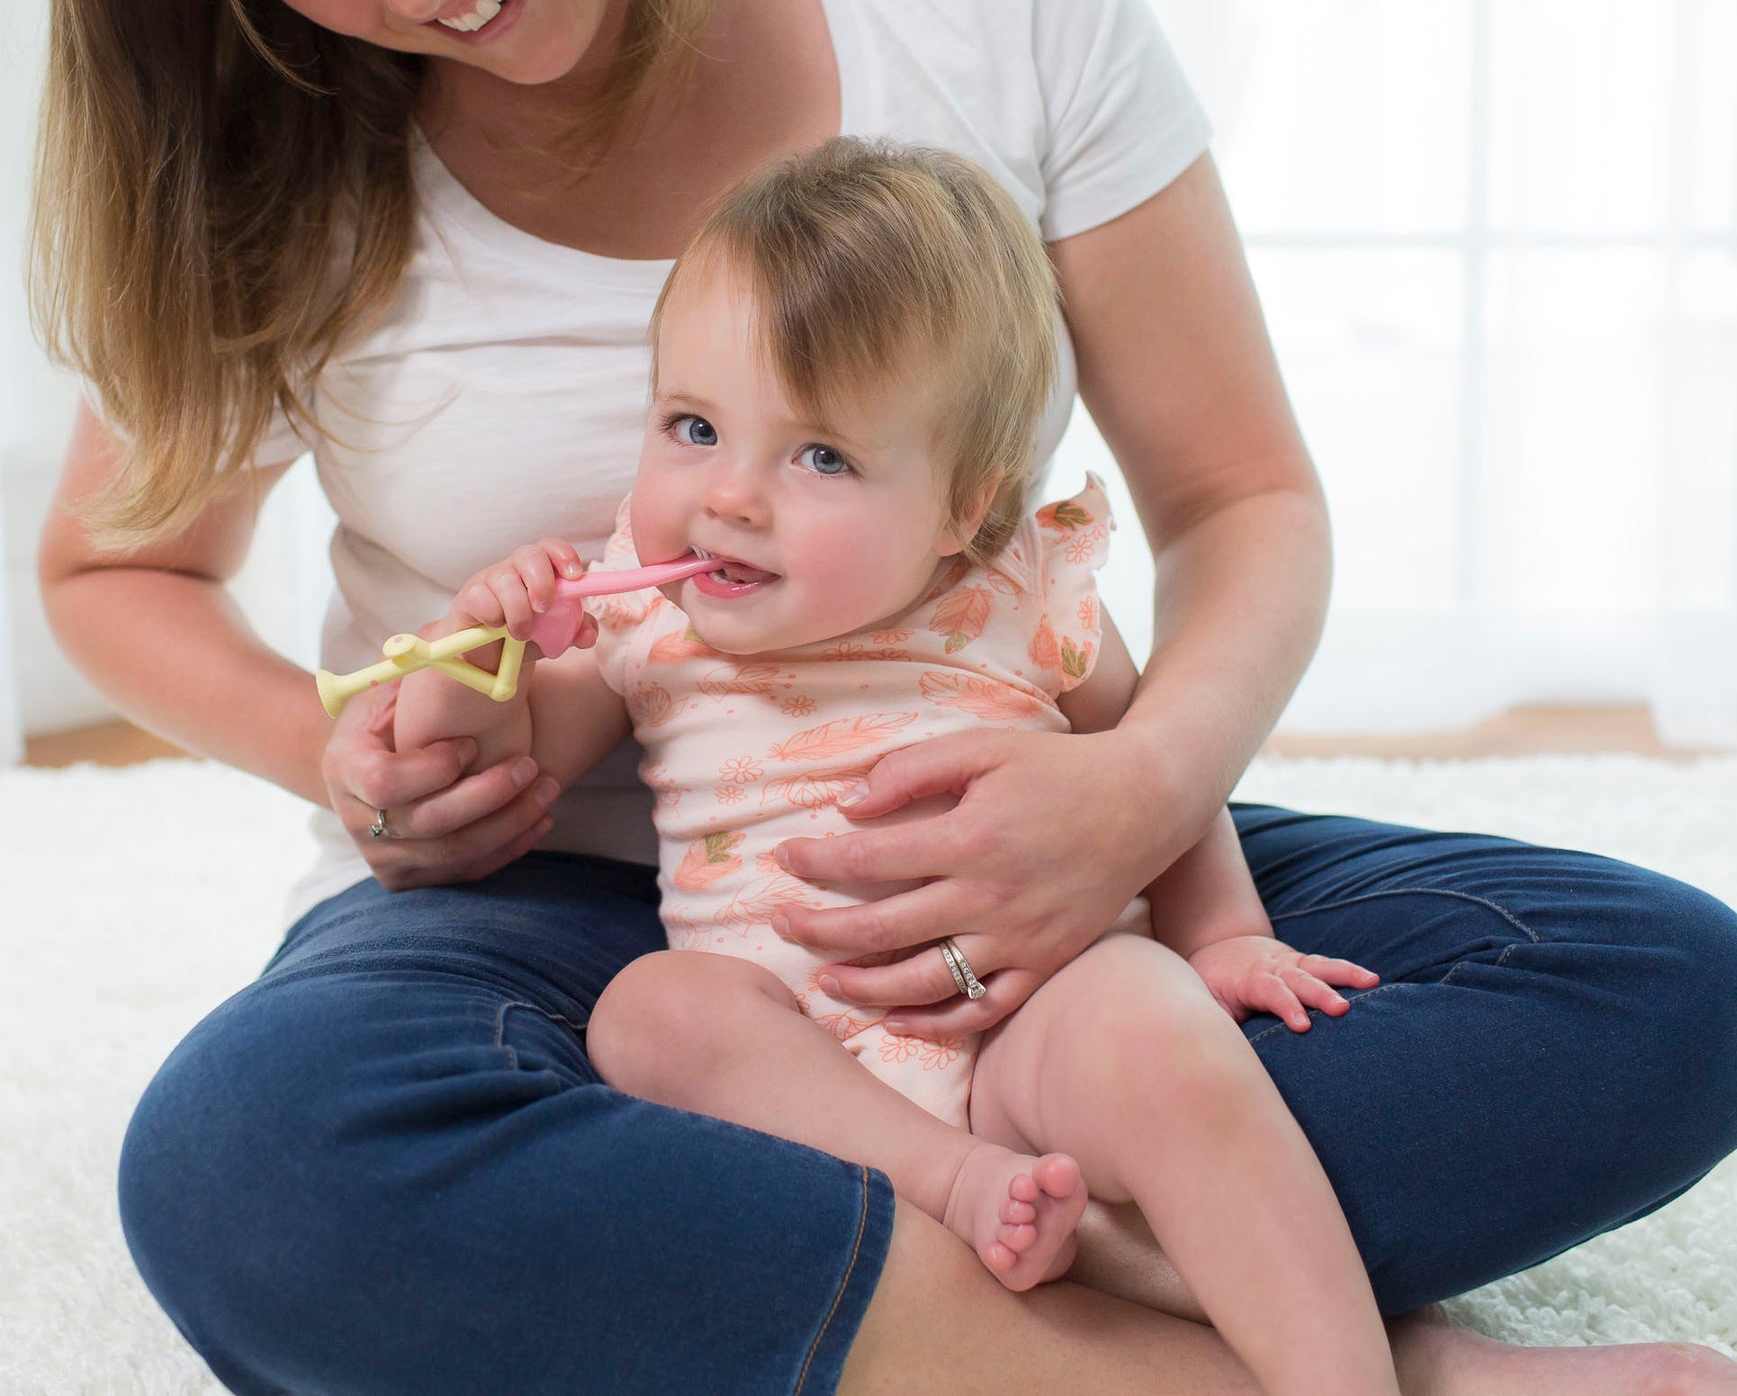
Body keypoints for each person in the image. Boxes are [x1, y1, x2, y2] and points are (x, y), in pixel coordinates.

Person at [28, 0, 1737, 1390]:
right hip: (548, 941)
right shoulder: (276, 151)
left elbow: (1239, 493)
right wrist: (351, 750)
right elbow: (113, 570)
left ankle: (832, 1282)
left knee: (1659, 993)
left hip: (1038, 892)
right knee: (255, 1168)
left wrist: (1137, 797)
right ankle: (1323, 1362)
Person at [393, 137, 1401, 1394]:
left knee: (1153, 1022)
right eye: (695, 427)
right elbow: (491, 757)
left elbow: (1159, 779)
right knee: (649, 1013)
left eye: (820, 457)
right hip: (794, 1066)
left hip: (1029, 1017)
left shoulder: (1021, 591)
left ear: (966, 507)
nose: (731, 498)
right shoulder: (647, 613)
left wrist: (1224, 939)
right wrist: (472, 654)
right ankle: (958, 1187)